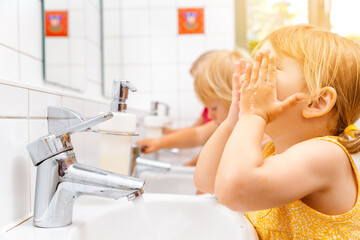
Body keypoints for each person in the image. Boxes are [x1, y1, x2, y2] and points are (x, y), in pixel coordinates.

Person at [194, 24, 360, 239]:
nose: (252, 79)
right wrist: (233, 119)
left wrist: (253, 115)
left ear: (316, 103)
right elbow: (207, 181)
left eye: (269, 70)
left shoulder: (326, 155)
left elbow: (234, 192)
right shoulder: (269, 150)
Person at [136, 48, 253, 166]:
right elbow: (197, 134)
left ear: (236, 99)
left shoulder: (254, 131)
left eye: (213, 108)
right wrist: (159, 142)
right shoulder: (227, 123)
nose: (210, 115)